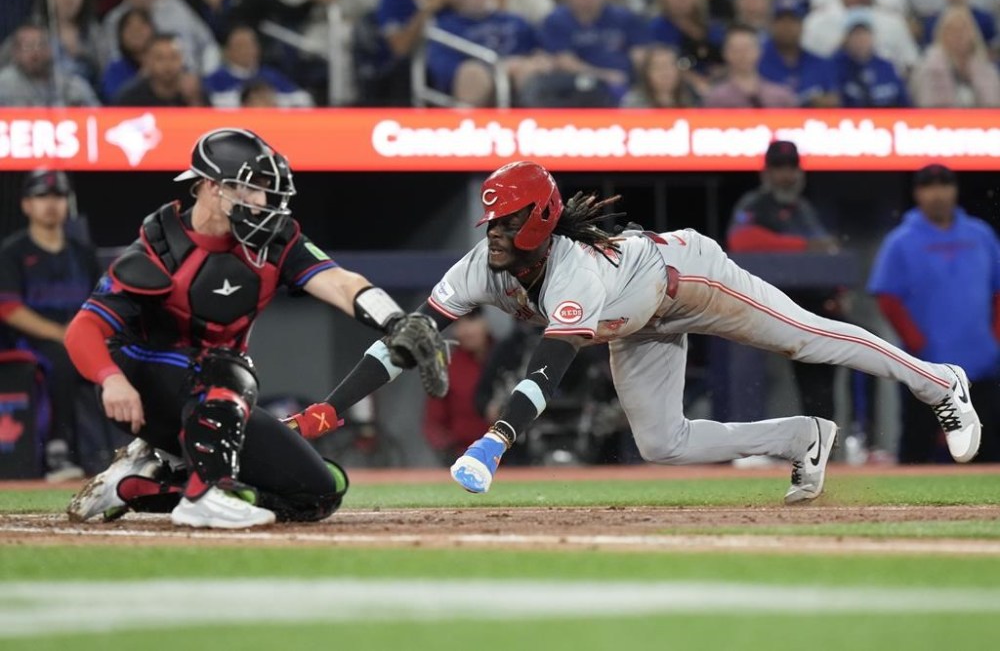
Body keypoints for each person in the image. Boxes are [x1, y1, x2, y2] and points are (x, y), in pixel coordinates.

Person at [286, 161, 982, 505]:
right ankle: (802, 438)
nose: (491, 235)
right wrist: (324, 411)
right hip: (634, 319)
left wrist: (494, 443)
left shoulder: (572, 271)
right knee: (662, 443)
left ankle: (937, 382)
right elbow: (405, 340)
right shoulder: (484, 266)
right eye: (490, 224)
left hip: (687, 279)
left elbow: (546, 367)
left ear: (535, 221)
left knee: (807, 337)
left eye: (503, 223)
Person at [64, 128, 448, 529]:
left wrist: (395, 319)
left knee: (317, 492)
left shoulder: (275, 241)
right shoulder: (161, 247)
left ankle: (141, 484)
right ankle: (205, 493)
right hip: (142, 389)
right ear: (211, 186)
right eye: (250, 189)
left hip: (219, 397)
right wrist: (110, 380)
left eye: (267, 190)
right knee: (228, 365)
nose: (262, 202)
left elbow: (339, 282)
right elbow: (83, 328)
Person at [868, 164, 1000, 463]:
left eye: (945, 185)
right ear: (918, 193)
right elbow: (887, 298)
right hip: (926, 370)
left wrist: (994, 341)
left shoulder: (980, 234)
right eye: (929, 187)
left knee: (989, 451)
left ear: (955, 190)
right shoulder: (901, 241)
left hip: (981, 366)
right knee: (917, 448)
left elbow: (997, 291)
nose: (938, 194)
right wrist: (918, 345)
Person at [727, 140, 845, 424]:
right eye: (779, 168)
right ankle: (749, 439)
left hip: (810, 302)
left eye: (791, 167)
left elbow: (830, 253)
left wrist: (838, 290)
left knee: (833, 357)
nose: (785, 175)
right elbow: (741, 240)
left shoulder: (803, 208)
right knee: (752, 367)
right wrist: (803, 245)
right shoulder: (755, 203)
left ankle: (825, 435)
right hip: (764, 303)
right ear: (766, 172)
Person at [0, 170, 104, 481]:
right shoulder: (13, 252)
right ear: (26, 204)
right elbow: (10, 310)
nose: (51, 204)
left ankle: (118, 452)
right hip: (27, 342)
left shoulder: (82, 252)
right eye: (42, 196)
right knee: (61, 356)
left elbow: (102, 301)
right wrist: (64, 333)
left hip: (81, 335)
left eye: (58, 196)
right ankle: (58, 449)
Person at [422, 308, 493, 465]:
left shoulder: (507, 356)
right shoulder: (447, 367)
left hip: (510, 454)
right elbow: (433, 421)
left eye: (471, 321)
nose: (465, 330)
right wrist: (449, 450)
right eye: (458, 324)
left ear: (485, 323)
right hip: (464, 456)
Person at [909, 5, 1000, 108]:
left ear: (973, 34)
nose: (959, 35)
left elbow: (995, 107)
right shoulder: (928, 68)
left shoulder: (986, 68)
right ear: (942, 35)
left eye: (964, 29)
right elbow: (927, 108)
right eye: (952, 30)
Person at [758, 0, 840, 107]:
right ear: (771, 25)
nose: (787, 27)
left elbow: (834, 100)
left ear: (802, 26)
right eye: (781, 21)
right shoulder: (758, 61)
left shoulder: (819, 63)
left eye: (793, 21)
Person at [203, 25, 313, 108]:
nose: (247, 50)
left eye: (251, 45)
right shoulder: (216, 79)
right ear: (227, 51)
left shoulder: (271, 75)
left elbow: (304, 99)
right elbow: (210, 105)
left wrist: (271, 100)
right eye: (241, 46)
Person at [0, 23, 100, 107]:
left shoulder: (68, 83)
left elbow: (98, 116)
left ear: (50, 49)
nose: (35, 52)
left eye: (41, 45)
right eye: (28, 46)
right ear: (15, 52)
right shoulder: (4, 84)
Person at [703, 23, 798, 108]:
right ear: (725, 53)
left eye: (747, 48)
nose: (742, 54)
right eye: (736, 49)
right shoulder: (716, 99)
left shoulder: (781, 97)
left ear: (759, 51)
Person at [832, 8, 910, 107]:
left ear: (872, 36)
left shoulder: (886, 67)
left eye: (864, 33)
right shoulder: (836, 67)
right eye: (855, 34)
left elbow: (904, 103)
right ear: (846, 38)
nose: (860, 39)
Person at [114, 33, 204, 106]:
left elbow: (208, 125)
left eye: (173, 57)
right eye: (160, 58)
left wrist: (193, 100)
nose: (167, 64)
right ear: (148, 62)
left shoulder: (196, 92)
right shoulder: (131, 97)